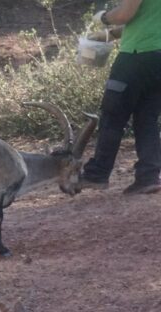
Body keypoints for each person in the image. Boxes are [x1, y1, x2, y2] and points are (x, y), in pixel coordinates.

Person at [80, 0, 161, 194]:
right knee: (147, 119)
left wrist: (104, 17)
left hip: (136, 55)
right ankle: (148, 176)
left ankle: (97, 174)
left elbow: (126, 13)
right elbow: (147, 19)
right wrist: (111, 34)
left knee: (112, 114)